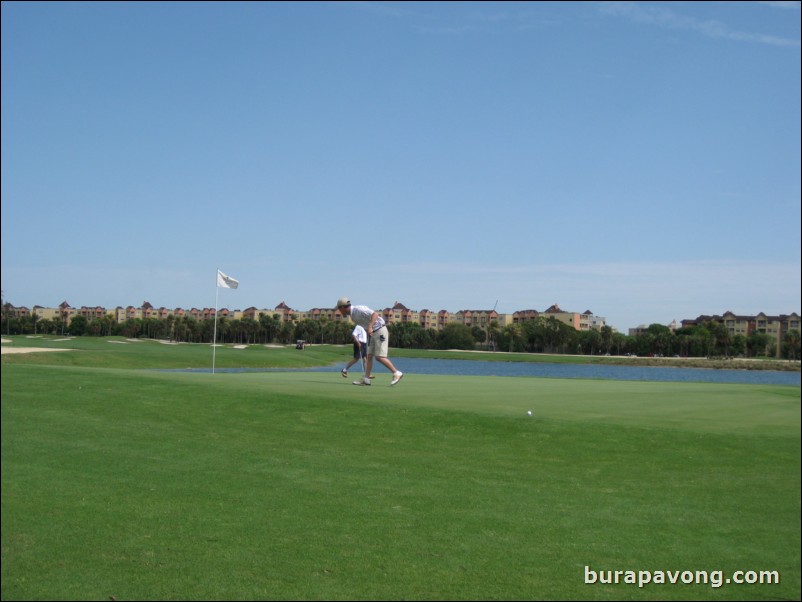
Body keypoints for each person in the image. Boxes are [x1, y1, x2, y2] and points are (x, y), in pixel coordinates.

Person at [336, 297, 404, 386]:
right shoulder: (352, 316)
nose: (339, 311)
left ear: (342, 307)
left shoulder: (358, 309)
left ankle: (397, 373)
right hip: (372, 333)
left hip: (380, 330)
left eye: (339, 308)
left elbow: (375, 314)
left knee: (379, 357)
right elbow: (365, 325)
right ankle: (366, 379)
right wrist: (369, 331)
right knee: (369, 356)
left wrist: (370, 326)